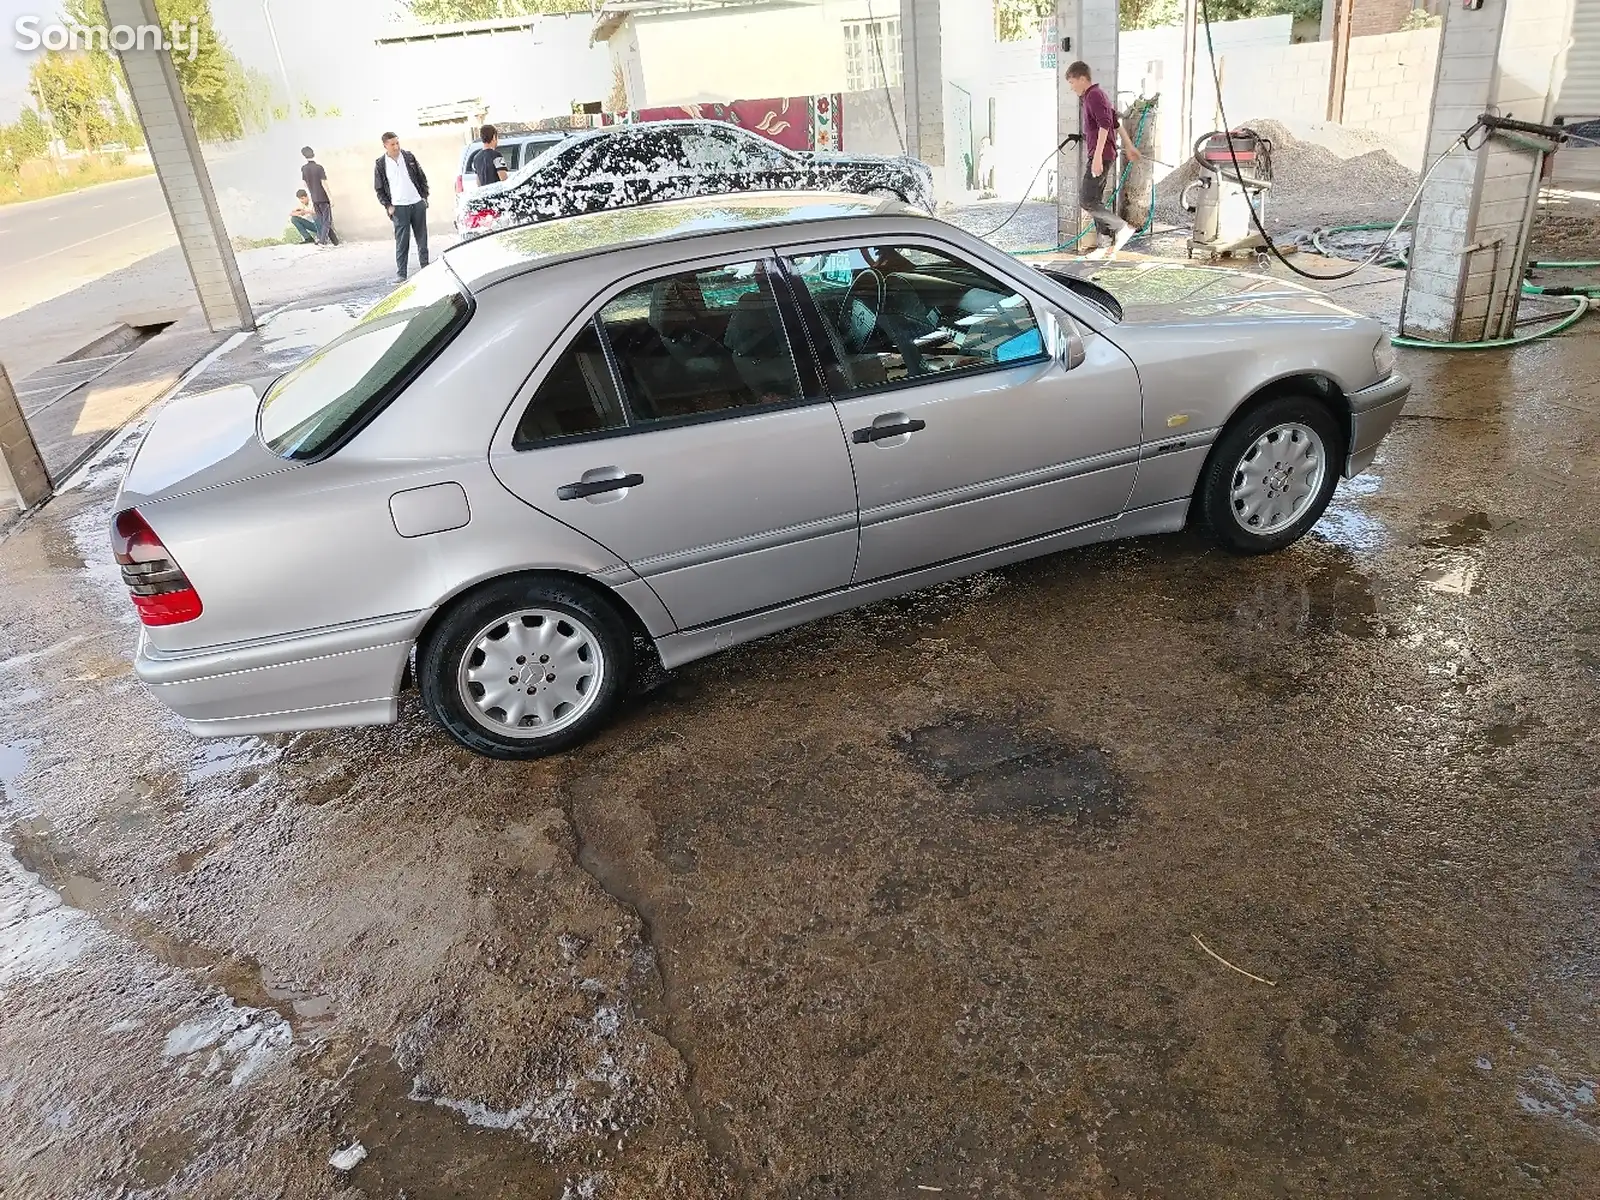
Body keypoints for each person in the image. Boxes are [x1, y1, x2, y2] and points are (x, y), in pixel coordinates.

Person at [1065, 61, 1140, 258]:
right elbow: (1116, 123)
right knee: (1095, 200)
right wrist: (1130, 146)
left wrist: (1097, 156)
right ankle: (1104, 245)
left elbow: (1105, 125)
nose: (1071, 87)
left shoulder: (1093, 96)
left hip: (1101, 155)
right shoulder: (1097, 95)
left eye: (1072, 82)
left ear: (1082, 79)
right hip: (1103, 154)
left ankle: (1121, 227)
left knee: (1086, 200)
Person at [374, 132, 431, 281]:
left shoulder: (408, 157)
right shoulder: (381, 164)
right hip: (399, 207)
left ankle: (426, 267)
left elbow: (421, 177)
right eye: (392, 144)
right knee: (402, 242)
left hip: (416, 202)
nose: (396, 147)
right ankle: (401, 274)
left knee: (422, 239)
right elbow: (379, 188)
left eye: (397, 143)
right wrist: (388, 205)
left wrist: (424, 197)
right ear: (385, 145)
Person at [299, 146, 339, 246]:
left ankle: (335, 242)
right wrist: (331, 198)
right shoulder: (319, 168)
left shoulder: (304, 169)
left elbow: (305, 185)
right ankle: (323, 241)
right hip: (323, 198)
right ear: (313, 154)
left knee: (322, 221)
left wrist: (312, 195)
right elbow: (324, 184)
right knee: (327, 221)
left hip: (314, 198)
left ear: (304, 156)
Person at [469, 124, 509, 188]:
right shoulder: (497, 156)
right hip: (496, 194)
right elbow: (504, 179)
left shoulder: (476, 158)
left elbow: (478, 183)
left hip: (486, 195)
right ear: (493, 137)